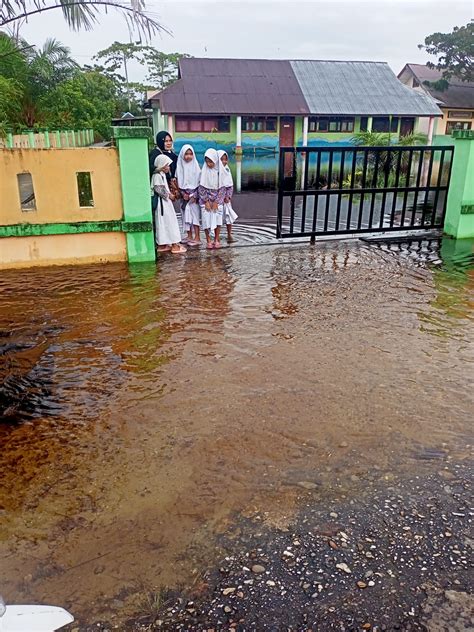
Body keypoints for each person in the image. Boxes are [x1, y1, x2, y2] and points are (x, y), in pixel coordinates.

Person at [151, 154, 187, 254]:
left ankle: (163, 244)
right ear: (161, 165)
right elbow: (159, 189)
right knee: (170, 222)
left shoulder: (161, 175)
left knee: (164, 223)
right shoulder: (157, 176)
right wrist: (169, 196)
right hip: (163, 204)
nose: (168, 167)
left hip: (165, 204)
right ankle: (174, 245)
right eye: (166, 165)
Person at [198, 148, 225, 249]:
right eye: (207, 161)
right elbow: (201, 188)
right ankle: (208, 239)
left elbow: (222, 189)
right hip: (206, 201)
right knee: (206, 220)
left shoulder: (221, 172)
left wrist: (216, 202)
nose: (209, 164)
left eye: (211, 161)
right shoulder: (203, 172)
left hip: (217, 201)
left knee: (218, 220)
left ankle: (216, 239)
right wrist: (206, 201)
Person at [176, 144, 201, 246]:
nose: (188, 156)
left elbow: (201, 184)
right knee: (185, 216)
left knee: (195, 216)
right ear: (182, 154)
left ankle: (197, 237)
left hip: (194, 197)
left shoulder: (196, 167)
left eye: (191, 154)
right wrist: (183, 194)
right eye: (186, 154)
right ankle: (189, 235)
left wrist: (194, 195)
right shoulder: (179, 167)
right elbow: (178, 182)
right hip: (184, 196)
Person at [149, 131, 179, 197]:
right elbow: (149, 168)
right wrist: (160, 169)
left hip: (172, 188)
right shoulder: (155, 153)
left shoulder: (173, 155)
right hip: (161, 189)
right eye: (166, 141)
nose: (169, 143)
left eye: (170, 141)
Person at [217, 150, 238, 242]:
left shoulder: (227, 170)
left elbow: (230, 185)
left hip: (226, 199)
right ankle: (216, 236)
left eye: (225, 160)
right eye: (221, 160)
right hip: (217, 199)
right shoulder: (214, 171)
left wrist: (228, 197)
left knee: (228, 217)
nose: (224, 162)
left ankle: (229, 235)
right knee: (217, 218)